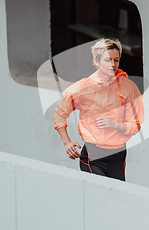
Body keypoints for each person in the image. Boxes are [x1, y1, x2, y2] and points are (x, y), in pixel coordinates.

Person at [53, 38, 144, 181]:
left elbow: (136, 124)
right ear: (96, 62)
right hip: (93, 156)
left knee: (115, 197)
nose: (113, 64)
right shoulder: (82, 87)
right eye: (108, 60)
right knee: (98, 194)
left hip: (118, 155)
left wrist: (115, 125)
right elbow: (59, 113)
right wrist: (67, 142)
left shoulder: (129, 87)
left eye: (116, 60)